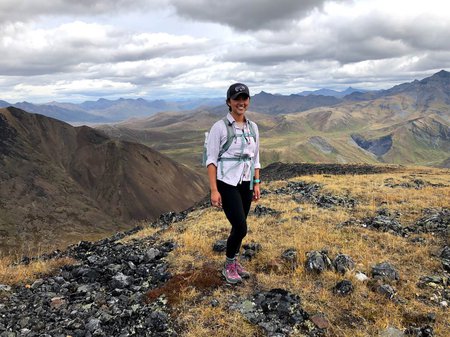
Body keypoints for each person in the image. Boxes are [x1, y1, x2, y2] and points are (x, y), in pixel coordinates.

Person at [205, 83, 261, 284]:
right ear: (228, 102)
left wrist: (256, 183)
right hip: (226, 183)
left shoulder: (253, 127)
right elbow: (211, 160)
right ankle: (228, 266)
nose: (241, 102)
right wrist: (214, 190)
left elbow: (255, 158)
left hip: (246, 183)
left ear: (248, 101)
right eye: (237, 99)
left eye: (244, 98)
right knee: (241, 226)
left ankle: (234, 262)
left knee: (239, 226)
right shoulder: (219, 127)